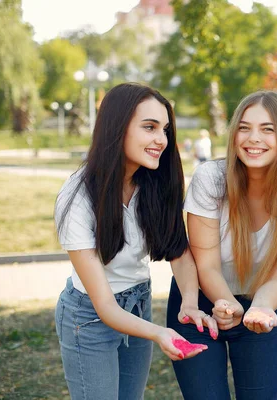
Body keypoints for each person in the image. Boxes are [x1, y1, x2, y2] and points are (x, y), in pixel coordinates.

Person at [54, 82, 217, 400]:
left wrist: (190, 302)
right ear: (117, 128)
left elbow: (178, 250)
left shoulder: (153, 182)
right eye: (149, 127)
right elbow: (104, 307)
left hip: (138, 305)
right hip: (89, 317)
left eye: (165, 129)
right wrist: (161, 333)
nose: (162, 139)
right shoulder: (77, 197)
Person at [167, 90, 277, 399]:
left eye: (268, 129)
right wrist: (227, 304)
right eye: (244, 127)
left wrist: (262, 308)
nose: (253, 138)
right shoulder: (211, 178)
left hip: (259, 308)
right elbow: (207, 264)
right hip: (200, 305)